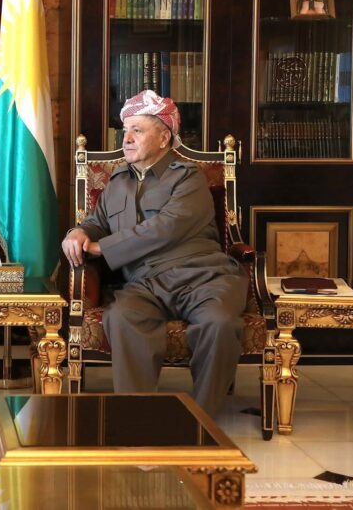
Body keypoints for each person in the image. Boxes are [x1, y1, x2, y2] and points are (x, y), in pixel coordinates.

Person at [61, 90, 247, 417]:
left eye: (137, 130)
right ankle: (139, 415)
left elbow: (167, 226)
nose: (126, 139)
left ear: (163, 138)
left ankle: (200, 418)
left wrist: (103, 247)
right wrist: (79, 233)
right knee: (121, 316)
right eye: (125, 131)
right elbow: (97, 222)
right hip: (144, 283)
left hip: (203, 277)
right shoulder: (117, 181)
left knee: (218, 323)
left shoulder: (189, 177)